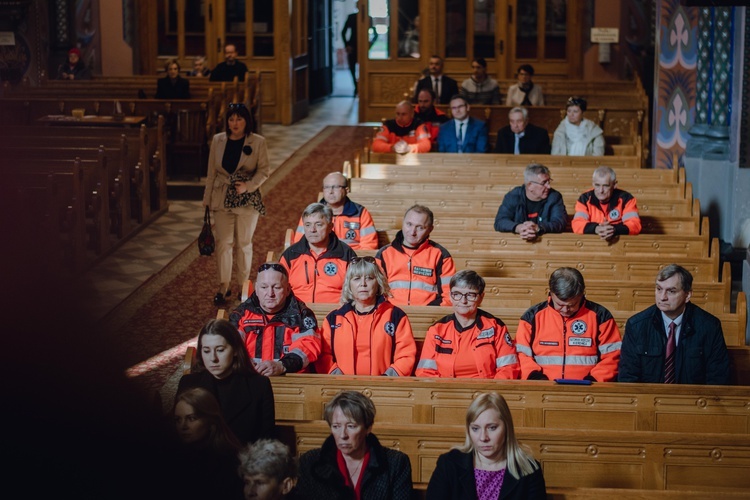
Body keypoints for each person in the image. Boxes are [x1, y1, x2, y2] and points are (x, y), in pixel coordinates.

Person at [203, 102, 269, 306]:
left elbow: (264, 171)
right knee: (224, 244)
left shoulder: (257, 141)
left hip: (246, 200)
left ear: (246, 121)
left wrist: (248, 186)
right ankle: (223, 287)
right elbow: (211, 172)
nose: (235, 123)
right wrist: (207, 200)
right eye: (231, 119)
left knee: (244, 244)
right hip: (222, 197)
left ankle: (244, 287)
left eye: (239, 119)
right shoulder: (218, 140)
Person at [618, 265, 730, 384]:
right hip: (649, 400)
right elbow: (628, 378)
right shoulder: (636, 326)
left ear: (687, 295)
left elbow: (718, 378)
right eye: (659, 289)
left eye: (671, 291)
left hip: (694, 400)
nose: (662, 297)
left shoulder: (710, 326)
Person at [426, 393, 546, 499]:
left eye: (492, 428)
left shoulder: (529, 469)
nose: (483, 437)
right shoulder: (449, 463)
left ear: (507, 428)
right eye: (475, 429)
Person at [296, 391, 413, 499]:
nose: (343, 435)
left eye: (351, 426)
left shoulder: (395, 463)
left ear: (368, 428)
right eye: (336, 426)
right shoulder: (310, 461)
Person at [177, 319, 275, 445]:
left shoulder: (259, 385)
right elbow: (178, 438)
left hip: (244, 461)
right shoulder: (188, 383)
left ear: (235, 350)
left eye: (220, 350)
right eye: (206, 351)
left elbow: (267, 440)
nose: (213, 358)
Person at [515, 267, 622, 382]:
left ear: (582, 294)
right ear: (550, 293)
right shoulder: (532, 317)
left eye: (572, 305)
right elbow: (521, 354)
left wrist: (593, 380)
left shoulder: (601, 316)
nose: (565, 310)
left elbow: (613, 357)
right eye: (560, 304)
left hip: (590, 388)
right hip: (541, 387)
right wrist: (535, 377)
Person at [316, 257, 417, 376]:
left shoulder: (395, 316)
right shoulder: (334, 318)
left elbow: (406, 355)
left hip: (383, 389)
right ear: (349, 284)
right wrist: (339, 380)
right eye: (357, 279)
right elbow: (323, 355)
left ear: (378, 282)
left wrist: (386, 381)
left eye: (369, 278)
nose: (363, 284)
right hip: (342, 389)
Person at [415, 270, 520, 379]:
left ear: (481, 297)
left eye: (470, 295)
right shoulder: (437, 330)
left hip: (486, 393)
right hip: (445, 393)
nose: (463, 301)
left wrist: (489, 393)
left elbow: (508, 369)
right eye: (457, 294)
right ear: (450, 296)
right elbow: (425, 372)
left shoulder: (496, 327)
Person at [229, 263, 322, 376]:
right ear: (256, 289)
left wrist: (282, 366)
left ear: (288, 289)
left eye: (276, 287)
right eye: (264, 287)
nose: (270, 293)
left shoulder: (303, 315)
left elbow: (308, 348)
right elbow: (231, 346)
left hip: (290, 383)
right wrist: (246, 365)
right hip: (249, 380)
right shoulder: (240, 315)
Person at [375, 204, 456, 306]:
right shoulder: (384, 254)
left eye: (420, 227)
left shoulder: (441, 255)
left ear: (430, 229)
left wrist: (430, 312)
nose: (412, 232)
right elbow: (375, 292)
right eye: (409, 224)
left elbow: (450, 296)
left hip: (428, 316)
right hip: (391, 315)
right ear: (403, 223)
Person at [172, 387, 245, 500]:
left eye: (191, 418)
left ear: (211, 421)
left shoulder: (230, 460)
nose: (183, 426)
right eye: (178, 420)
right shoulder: (173, 455)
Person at [280, 203, 356, 304]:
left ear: (330, 227)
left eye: (318, 224)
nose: (312, 230)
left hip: (335, 314)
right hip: (297, 314)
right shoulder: (291, 254)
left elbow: (356, 292)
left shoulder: (346, 254)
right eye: (308, 225)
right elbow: (278, 288)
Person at [290, 172, 378, 250]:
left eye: (336, 187)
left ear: (346, 190)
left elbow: (369, 246)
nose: (331, 191)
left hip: (353, 262)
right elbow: (300, 243)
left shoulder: (360, 213)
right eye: (327, 187)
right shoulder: (311, 213)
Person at [493, 163, 567, 241]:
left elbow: (560, 222)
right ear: (530, 186)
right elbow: (500, 221)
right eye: (544, 183)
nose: (548, 186)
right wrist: (519, 227)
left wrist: (538, 228)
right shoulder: (513, 196)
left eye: (549, 182)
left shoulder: (554, 197)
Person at [572, 166, 641, 240]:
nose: (601, 191)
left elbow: (635, 225)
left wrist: (613, 230)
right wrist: (596, 228)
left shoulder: (626, 199)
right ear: (593, 184)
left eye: (605, 186)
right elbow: (577, 224)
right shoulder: (584, 199)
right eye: (597, 185)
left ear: (614, 185)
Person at [341, 4, 378, 97]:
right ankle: (356, 87)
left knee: (364, 68)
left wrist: (370, 43)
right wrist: (347, 45)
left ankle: (363, 87)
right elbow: (343, 32)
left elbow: (376, 34)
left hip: (363, 46)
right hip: (353, 46)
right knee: (352, 68)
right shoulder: (351, 17)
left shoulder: (368, 18)